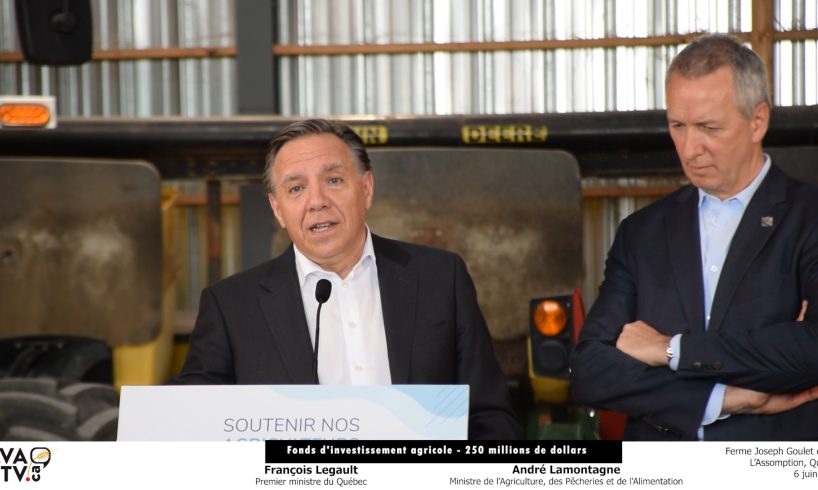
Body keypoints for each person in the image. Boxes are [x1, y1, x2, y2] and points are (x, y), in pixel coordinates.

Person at [172, 118, 522, 440]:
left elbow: (489, 416)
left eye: (333, 180)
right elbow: (194, 427)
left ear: (366, 188)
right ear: (278, 209)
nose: (317, 201)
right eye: (296, 189)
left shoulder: (440, 279)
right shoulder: (231, 307)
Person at [570, 33, 818, 440]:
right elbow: (591, 370)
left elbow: (812, 351)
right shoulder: (641, 233)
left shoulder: (809, 218)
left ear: (758, 121)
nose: (689, 148)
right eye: (677, 126)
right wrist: (727, 397)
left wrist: (671, 350)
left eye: (708, 127)